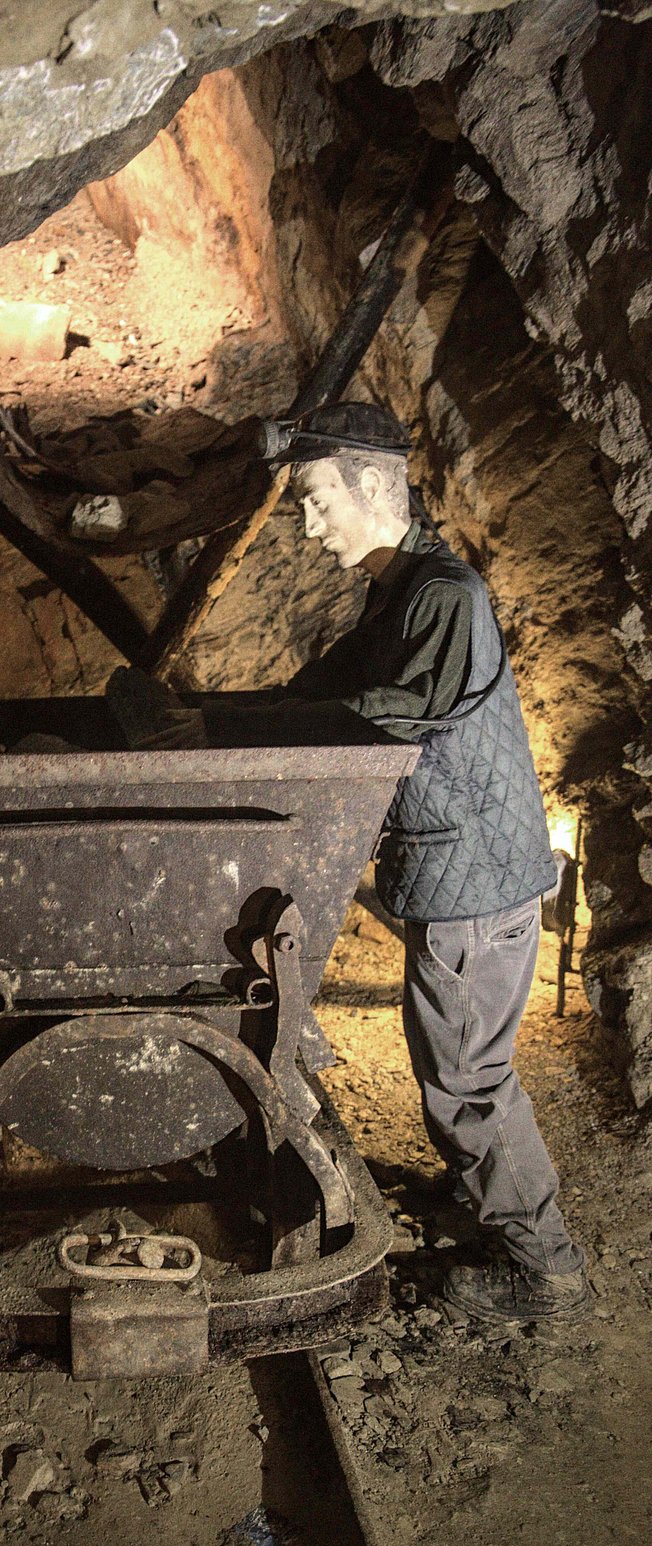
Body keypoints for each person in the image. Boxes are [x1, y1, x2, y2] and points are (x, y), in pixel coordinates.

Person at [114, 401, 588, 1325]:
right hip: (462, 880)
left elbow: (385, 715)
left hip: (476, 888)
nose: (309, 522)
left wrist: (217, 731)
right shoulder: (401, 593)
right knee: (460, 1071)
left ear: (372, 484)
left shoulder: (446, 597)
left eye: (317, 497)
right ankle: (496, 1198)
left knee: (467, 1082)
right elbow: (318, 693)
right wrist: (207, 718)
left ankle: (545, 1267)